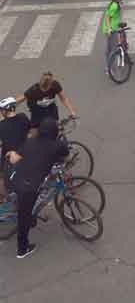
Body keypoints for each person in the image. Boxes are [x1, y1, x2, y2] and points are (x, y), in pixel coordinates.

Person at [6, 117, 69, 259]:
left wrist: (12, 154)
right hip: (28, 187)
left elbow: (15, 158)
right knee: (24, 218)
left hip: (15, 178)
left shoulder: (30, 141)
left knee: (26, 203)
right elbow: (65, 154)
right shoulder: (57, 145)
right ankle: (22, 250)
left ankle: (26, 213)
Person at [0, 97, 30, 200]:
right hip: (25, 153)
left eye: (1, 110)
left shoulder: (1, 125)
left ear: (6, 110)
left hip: (9, 157)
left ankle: (5, 198)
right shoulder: (23, 117)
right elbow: (29, 132)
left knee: (1, 177)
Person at [101, 0, 126, 72]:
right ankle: (109, 67)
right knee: (112, 49)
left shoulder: (116, 3)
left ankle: (124, 57)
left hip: (116, 27)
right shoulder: (114, 6)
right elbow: (108, 18)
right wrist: (109, 29)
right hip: (112, 29)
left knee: (121, 40)